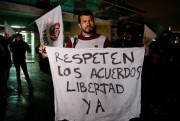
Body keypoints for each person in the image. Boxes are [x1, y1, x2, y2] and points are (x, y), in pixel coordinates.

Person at [39, 10, 111, 56]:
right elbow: (63, 56)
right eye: (85, 21)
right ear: (79, 25)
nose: (88, 24)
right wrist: (49, 53)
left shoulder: (104, 40)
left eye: (90, 20)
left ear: (94, 22)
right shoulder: (72, 41)